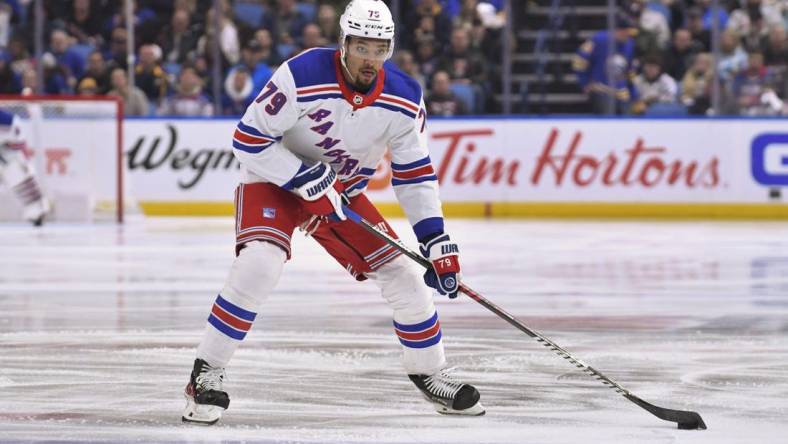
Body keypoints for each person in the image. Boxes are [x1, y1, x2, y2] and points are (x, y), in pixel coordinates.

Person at [182, 0, 484, 425]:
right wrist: (301, 176)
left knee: (404, 275)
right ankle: (206, 374)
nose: (371, 59)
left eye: (380, 49)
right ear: (344, 42)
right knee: (260, 264)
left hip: (340, 195)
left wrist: (434, 239)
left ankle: (430, 373)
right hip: (274, 179)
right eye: (362, 47)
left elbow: (414, 174)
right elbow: (248, 139)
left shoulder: (405, 97)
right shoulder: (301, 74)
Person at [0, 110, 49, 226]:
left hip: (10, 143)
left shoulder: (9, 123)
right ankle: (37, 209)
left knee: (17, 170)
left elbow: (16, 139)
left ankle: (38, 209)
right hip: (9, 142)